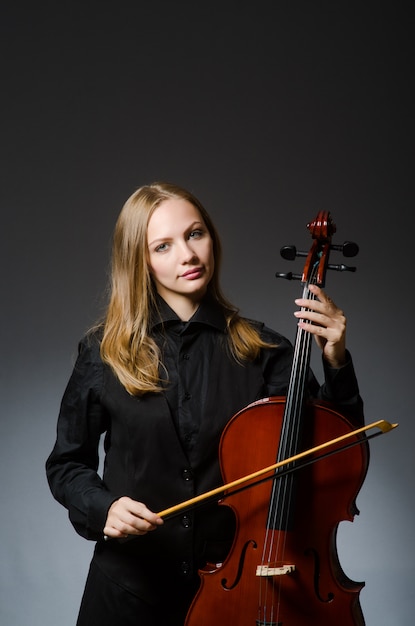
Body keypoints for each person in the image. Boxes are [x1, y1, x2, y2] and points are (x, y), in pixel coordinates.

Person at [46, 182, 363, 626]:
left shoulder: (267, 351)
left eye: (195, 234)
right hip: (128, 595)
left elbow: (335, 457)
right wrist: (104, 508)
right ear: (141, 261)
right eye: (163, 246)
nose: (188, 255)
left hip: (238, 596)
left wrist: (336, 361)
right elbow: (67, 465)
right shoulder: (103, 353)